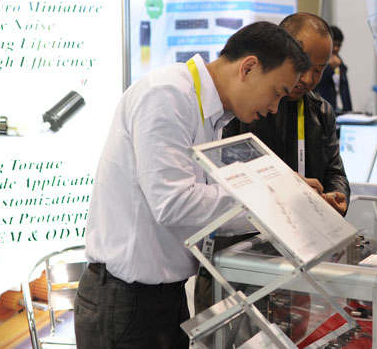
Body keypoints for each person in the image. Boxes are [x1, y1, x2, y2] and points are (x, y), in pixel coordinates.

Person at [74, 22, 311, 349]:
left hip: (163, 296)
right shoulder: (167, 95)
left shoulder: (211, 113)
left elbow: (208, 210)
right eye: (277, 93)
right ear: (248, 67)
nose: (274, 107)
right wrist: (271, 197)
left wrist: (282, 196)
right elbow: (174, 203)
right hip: (126, 301)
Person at [194, 12, 351, 315]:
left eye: (318, 70)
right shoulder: (237, 107)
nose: (308, 79)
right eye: (303, 65)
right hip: (234, 257)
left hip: (296, 258)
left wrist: (334, 197)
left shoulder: (320, 112)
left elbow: (335, 172)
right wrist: (289, 189)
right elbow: (221, 181)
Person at [315, 25, 352, 113]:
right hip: (324, 111)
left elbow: (345, 93)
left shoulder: (340, 64)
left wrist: (349, 112)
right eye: (333, 45)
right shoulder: (317, 62)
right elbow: (316, 85)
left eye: (338, 45)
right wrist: (329, 68)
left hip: (341, 112)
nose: (336, 48)